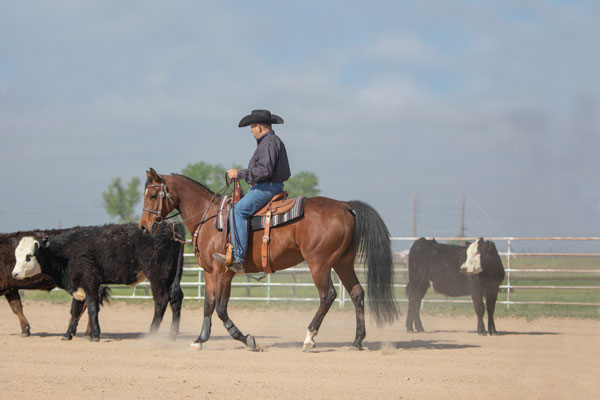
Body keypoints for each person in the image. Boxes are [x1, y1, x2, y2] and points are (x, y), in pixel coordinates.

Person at [213, 109, 291, 273]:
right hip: (270, 185)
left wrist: (239, 174)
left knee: (237, 211)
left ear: (259, 127)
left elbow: (265, 170)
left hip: (267, 187)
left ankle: (238, 257)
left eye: (252, 128)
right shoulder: (270, 141)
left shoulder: (268, 143)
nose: (251, 132)